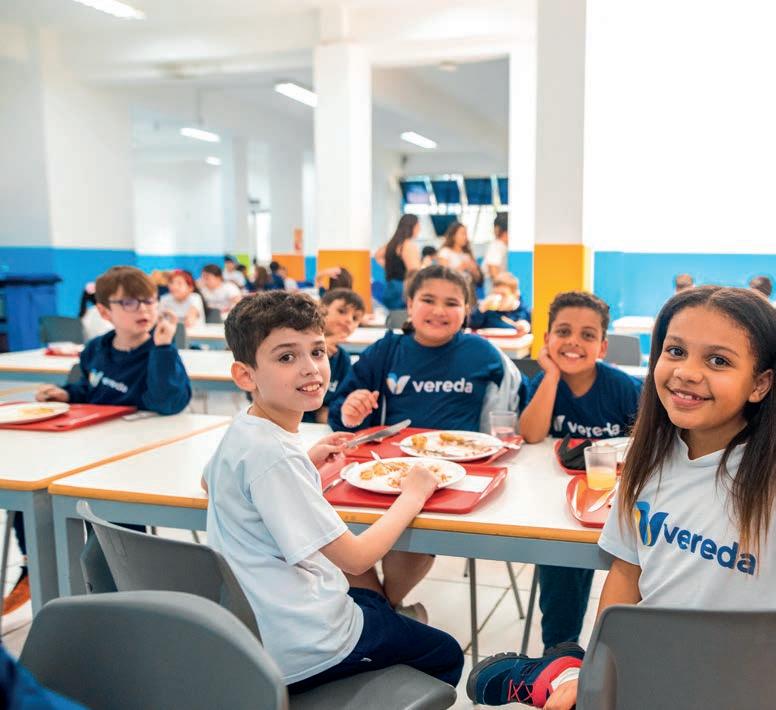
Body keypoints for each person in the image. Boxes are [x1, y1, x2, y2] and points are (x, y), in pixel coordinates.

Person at [468, 286, 776, 709]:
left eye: (718, 360)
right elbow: (626, 573)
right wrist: (600, 670)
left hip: (743, 681)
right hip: (649, 663)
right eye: (675, 351)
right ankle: (567, 670)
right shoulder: (647, 461)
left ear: (760, 384)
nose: (687, 372)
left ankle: (555, 672)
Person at [202, 290, 464, 692]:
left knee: (373, 602)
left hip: (256, 631)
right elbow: (356, 559)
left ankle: (388, 629)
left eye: (317, 352)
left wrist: (306, 463)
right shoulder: (275, 456)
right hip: (304, 646)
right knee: (445, 652)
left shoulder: (246, 427)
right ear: (245, 375)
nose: (310, 368)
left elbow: (209, 482)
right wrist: (414, 493)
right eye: (286, 357)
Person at [328, 266, 522, 617]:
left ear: (467, 310)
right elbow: (343, 411)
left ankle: (380, 619)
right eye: (428, 300)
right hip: (384, 472)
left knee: (410, 535)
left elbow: (518, 406)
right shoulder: (387, 350)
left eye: (452, 303)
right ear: (409, 304)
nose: (438, 311)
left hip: (453, 480)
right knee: (331, 532)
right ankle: (392, 618)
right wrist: (351, 411)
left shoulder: (484, 353)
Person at [2, 267, 193, 616]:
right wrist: (66, 394)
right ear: (105, 311)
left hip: (138, 458)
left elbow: (168, 402)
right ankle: (35, 565)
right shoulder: (97, 350)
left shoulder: (159, 350)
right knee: (30, 482)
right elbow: (90, 390)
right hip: (93, 447)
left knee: (110, 511)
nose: (143, 309)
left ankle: (118, 584)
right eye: (130, 303)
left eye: (149, 300)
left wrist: (164, 348)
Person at [517, 291, 642, 657]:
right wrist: (551, 375)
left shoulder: (623, 387)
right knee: (560, 559)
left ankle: (626, 653)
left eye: (587, 335)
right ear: (547, 340)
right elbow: (532, 435)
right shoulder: (543, 383)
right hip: (560, 501)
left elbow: (645, 445)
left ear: (602, 347)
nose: (573, 342)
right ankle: (560, 653)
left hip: (613, 501)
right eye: (563, 332)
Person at [303, 288, 364, 425]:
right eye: (342, 311)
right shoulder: (297, 346)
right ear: (322, 309)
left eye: (355, 318)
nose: (349, 320)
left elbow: (334, 405)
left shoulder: (343, 360)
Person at [375, 214, 422, 309]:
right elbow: (413, 271)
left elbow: (377, 256)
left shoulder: (391, 244)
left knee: (393, 316)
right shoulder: (408, 245)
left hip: (389, 287)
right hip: (403, 290)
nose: (419, 229)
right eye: (418, 226)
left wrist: (389, 267)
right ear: (412, 227)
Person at [437, 221, 482, 286]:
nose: (465, 237)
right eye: (463, 234)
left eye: (466, 234)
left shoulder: (467, 255)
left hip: (468, 288)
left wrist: (474, 270)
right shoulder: (445, 252)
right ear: (453, 235)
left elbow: (478, 279)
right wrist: (462, 267)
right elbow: (444, 275)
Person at [483, 213, 509, 285]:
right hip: (493, 283)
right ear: (505, 233)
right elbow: (493, 270)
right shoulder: (497, 246)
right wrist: (501, 287)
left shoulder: (503, 246)